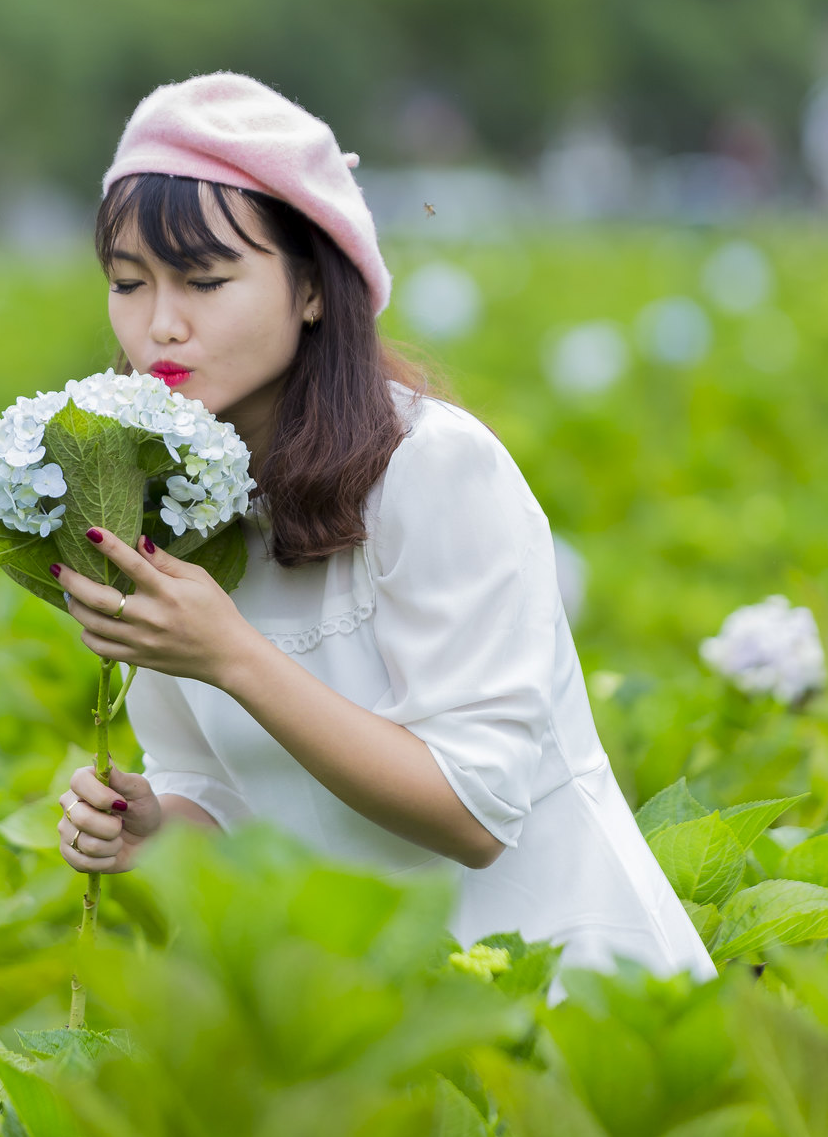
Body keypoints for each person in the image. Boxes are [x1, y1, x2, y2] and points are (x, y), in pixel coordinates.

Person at [53, 71, 713, 980]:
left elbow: (474, 816)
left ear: (314, 288)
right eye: (129, 283)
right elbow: (222, 795)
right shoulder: (156, 498)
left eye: (205, 280)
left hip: (556, 998)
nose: (160, 324)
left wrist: (232, 654)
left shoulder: (431, 468)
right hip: (365, 1022)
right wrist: (159, 827)